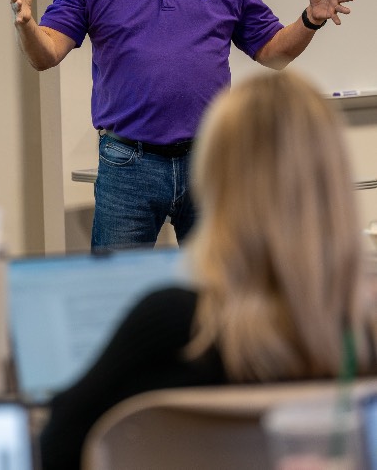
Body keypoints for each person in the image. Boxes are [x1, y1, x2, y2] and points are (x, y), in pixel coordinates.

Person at [9, 0, 355, 250]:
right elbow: (46, 54)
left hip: (210, 159)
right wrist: (27, 26)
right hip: (128, 165)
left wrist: (310, 18)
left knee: (220, 293)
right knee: (118, 290)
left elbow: (273, 52)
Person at [39, 69, 377, 470]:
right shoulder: (365, 335)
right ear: (335, 182)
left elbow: (54, 449)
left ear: (216, 180)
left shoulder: (170, 326)